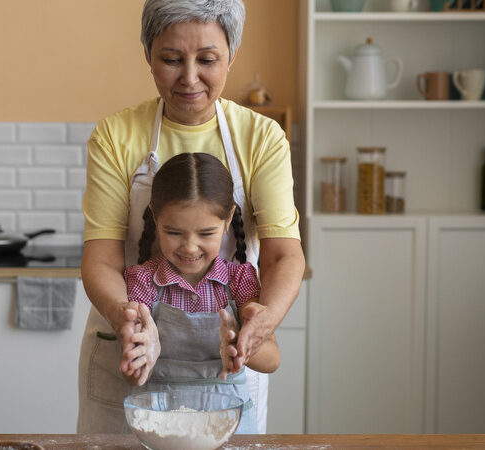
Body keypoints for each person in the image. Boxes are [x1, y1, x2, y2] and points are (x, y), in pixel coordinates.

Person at [78, 0, 305, 434]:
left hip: (227, 387)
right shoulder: (116, 135)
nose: (189, 77)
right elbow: (102, 259)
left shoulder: (261, 138)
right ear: (148, 55)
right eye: (171, 59)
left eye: (207, 59)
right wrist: (125, 317)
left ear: (231, 55)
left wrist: (261, 324)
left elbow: (282, 257)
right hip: (130, 376)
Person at [121, 152, 280, 434]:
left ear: (228, 218)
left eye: (206, 234)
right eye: (174, 232)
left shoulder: (240, 280)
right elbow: (135, 376)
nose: (190, 247)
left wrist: (241, 349)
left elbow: (272, 359)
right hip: (164, 429)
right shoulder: (143, 280)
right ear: (155, 217)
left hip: (231, 429)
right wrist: (140, 355)